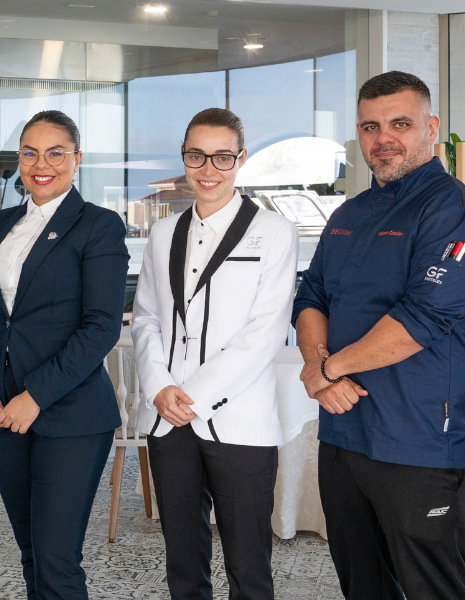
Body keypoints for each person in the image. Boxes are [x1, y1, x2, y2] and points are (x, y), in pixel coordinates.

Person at [292, 71, 465, 600]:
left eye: (400, 124)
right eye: (370, 126)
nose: (383, 138)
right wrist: (318, 365)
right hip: (343, 433)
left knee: (432, 586)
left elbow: (422, 318)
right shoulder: (349, 213)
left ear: (431, 127)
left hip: (420, 437)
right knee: (362, 582)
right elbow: (311, 296)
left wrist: (327, 369)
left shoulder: (454, 210)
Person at [0, 110, 128, 600]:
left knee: (56, 559)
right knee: (31, 552)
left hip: (70, 414)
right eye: (30, 153)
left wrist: (34, 397)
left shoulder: (98, 226)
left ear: (77, 159)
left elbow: (100, 328)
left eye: (56, 153)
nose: (41, 164)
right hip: (0, 411)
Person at [129, 108, 298, 600]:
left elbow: (265, 332)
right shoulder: (163, 233)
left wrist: (192, 397)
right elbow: (146, 318)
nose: (208, 169)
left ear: (240, 159)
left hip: (240, 421)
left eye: (222, 157)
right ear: (183, 157)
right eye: (196, 156)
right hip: (168, 420)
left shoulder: (274, 231)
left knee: (249, 566)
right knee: (183, 563)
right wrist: (160, 388)